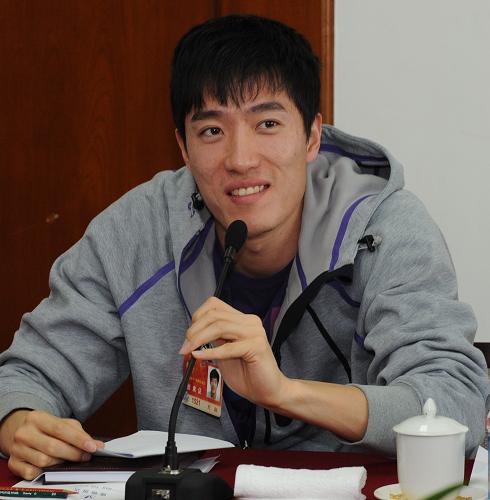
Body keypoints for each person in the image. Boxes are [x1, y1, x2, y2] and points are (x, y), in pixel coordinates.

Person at [0, 14, 488, 480]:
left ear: (312, 136)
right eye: (212, 131)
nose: (240, 159)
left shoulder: (385, 229)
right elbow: (25, 376)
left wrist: (286, 392)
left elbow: (453, 406)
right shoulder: (135, 232)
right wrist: (19, 422)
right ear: (183, 148)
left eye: (267, 124)